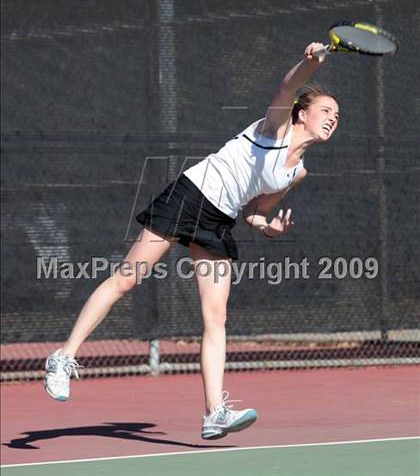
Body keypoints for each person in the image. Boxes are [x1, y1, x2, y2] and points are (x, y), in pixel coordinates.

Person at [44, 42, 339, 440]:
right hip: (192, 195)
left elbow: (254, 212)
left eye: (337, 115)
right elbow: (288, 87)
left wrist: (269, 228)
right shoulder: (275, 127)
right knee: (127, 278)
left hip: (219, 220)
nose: (333, 119)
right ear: (302, 114)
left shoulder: (297, 172)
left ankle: (214, 412)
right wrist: (309, 63)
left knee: (216, 316)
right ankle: (63, 358)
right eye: (326, 111)